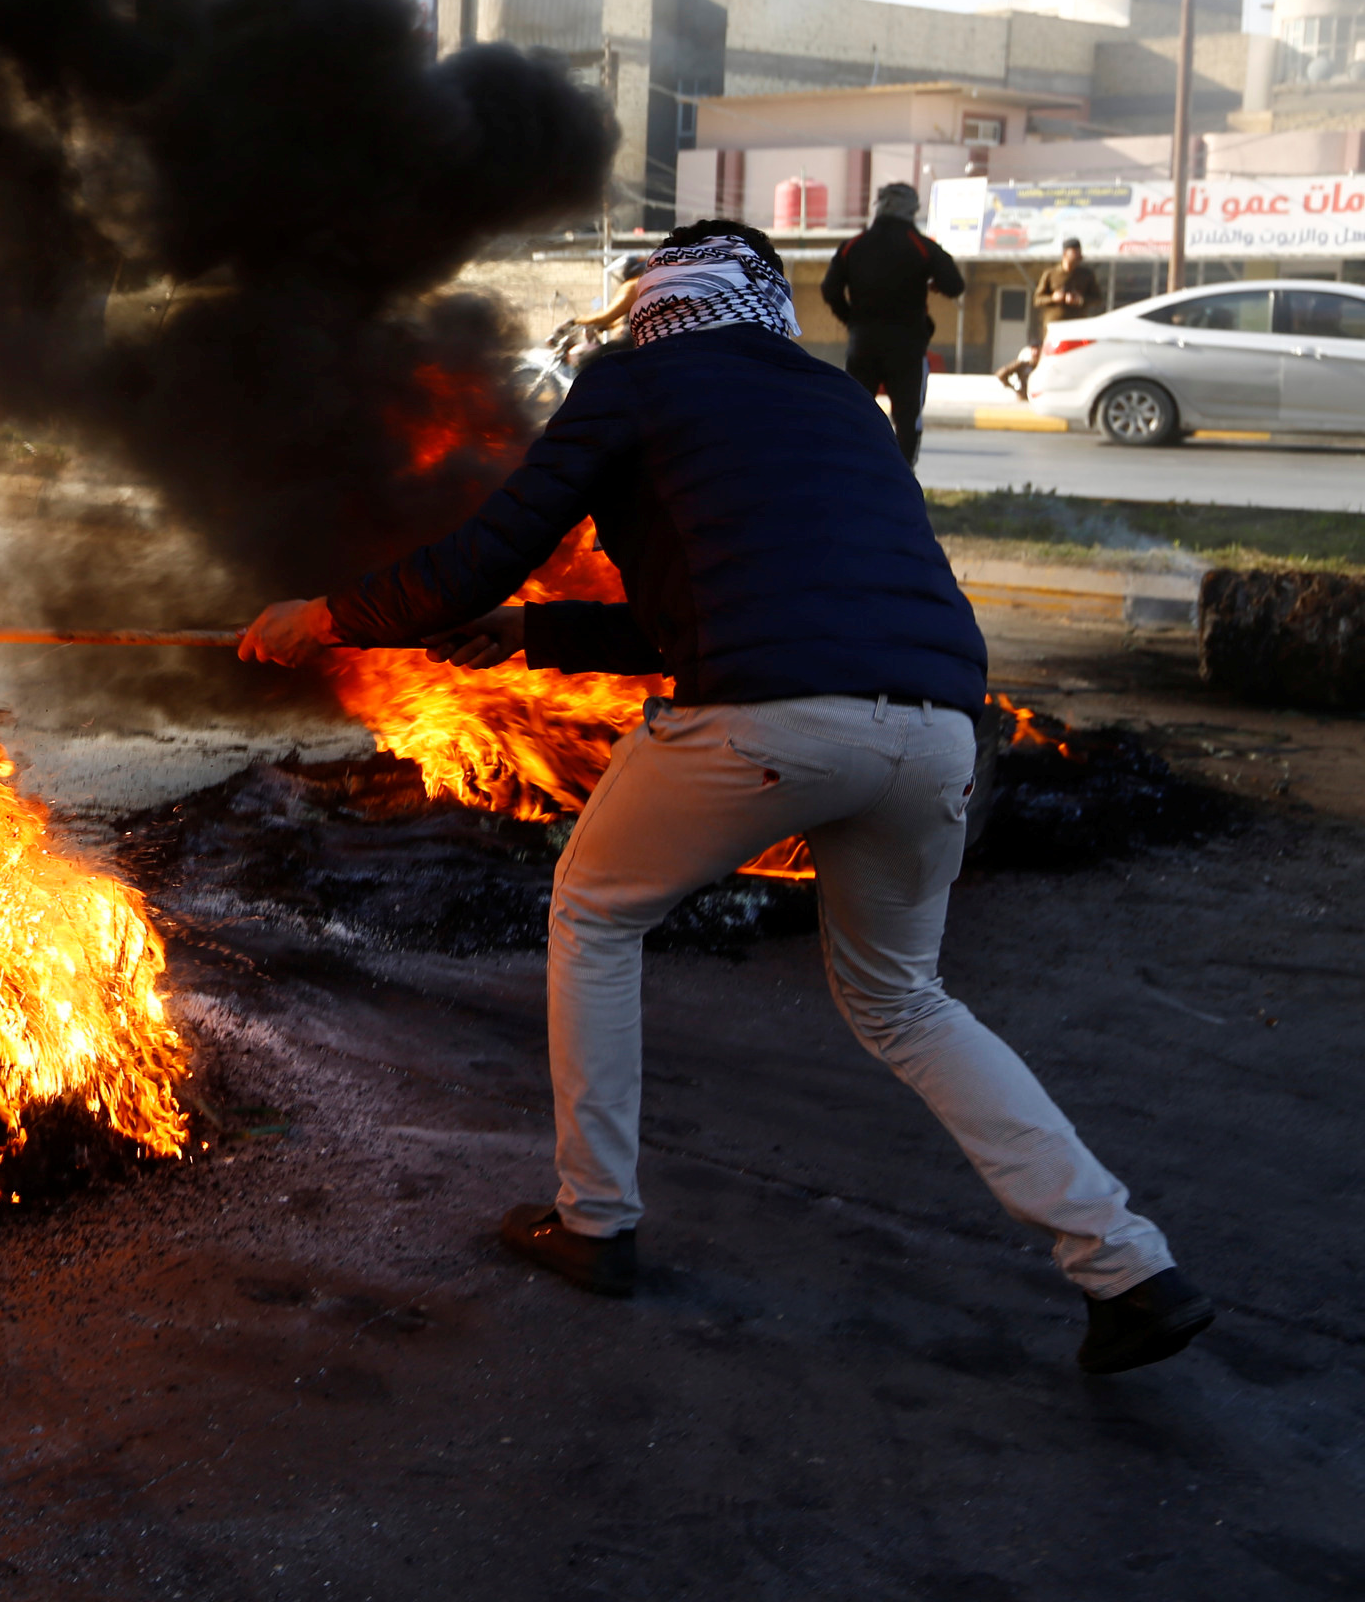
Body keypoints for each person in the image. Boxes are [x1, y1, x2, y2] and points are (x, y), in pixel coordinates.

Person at [235, 219, 1212, 1375]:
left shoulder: (636, 381)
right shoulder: (841, 402)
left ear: (654, 306)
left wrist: (330, 615)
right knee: (905, 1000)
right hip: (941, 728)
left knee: (594, 912)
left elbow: (481, 552)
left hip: (761, 717)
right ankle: (1128, 1264)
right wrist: (532, 634)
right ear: (769, 307)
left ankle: (594, 1220)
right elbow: (743, 595)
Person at [822, 182, 964, 463]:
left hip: (863, 343)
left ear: (879, 207)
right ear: (912, 210)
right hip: (907, 347)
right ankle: (903, 478)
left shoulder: (853, 246)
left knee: (857, 410)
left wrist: (852, 320)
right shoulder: (922, 248)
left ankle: (853, 469)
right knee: (907, 418)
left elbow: (829, 290)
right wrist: (932, 282)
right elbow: (955, 285)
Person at [996, 240, 1104, 398]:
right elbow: (1037, 299)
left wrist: (1080, 300)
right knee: (1050, 358)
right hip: (1054, 326)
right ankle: (1042, 389)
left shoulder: (1086, 275)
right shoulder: (1051, 274)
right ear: (1065, 254)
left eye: (1080, 253)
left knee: (1075, 358)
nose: (1079, 256)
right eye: (1075, 252)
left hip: (1077, 326)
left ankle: (1072, 389)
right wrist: (1054, 297)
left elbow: (1098, 298)